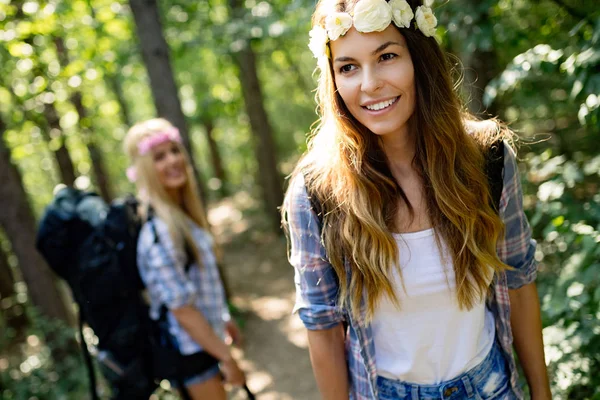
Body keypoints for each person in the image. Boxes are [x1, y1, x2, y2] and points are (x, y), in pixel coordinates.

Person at [281, 0, 552, 399]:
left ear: (419, 58)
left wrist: (541, 394)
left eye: (386, 56)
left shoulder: (486, 158)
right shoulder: (317, 190)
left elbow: (518, 279)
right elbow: (322, 328)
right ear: (333, 80)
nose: (369, 83)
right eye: (348, 67)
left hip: (489, 387)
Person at [124, 118, 245, 399]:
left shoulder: (181, 218)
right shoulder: (161, 231)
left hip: (205, 345)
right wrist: (226, 357)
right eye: (159, 156)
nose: (172, 161)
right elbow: (182, 310)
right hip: (191, 355)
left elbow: (198, 284)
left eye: (175, 151)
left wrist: (223, 318)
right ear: (144, 169)